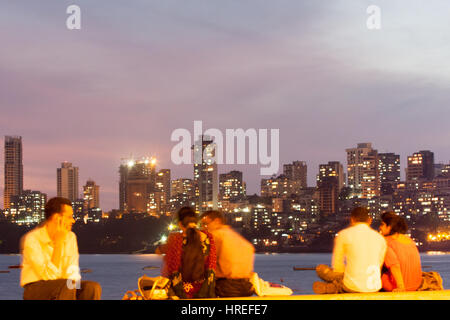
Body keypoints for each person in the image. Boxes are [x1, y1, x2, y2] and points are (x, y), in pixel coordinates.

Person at [21, 197, 102, 300]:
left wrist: (75, 291)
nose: (73, 220)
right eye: (69, 217)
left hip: (62, 286)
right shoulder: (33, 239)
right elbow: (48, 276)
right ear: (56, 218)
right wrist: (58, 243)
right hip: (36, 288)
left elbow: (72, 271)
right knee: (65, 286)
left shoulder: (70, 237)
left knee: (91, 288)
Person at [313, 207, 387, 294]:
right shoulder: (380, 238)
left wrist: (342, 275)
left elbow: (337, 266)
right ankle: (334, 287)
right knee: (345, 276)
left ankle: (333, 287)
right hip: (375, 287)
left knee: (321, 269)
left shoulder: (344, 234)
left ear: (352, 219)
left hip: (352, 287)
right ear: (369, 220)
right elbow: (379, 264)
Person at [161, 207, 216, 299]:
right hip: (205, 292)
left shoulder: (175, 239)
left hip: (181, 293)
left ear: (180, 224)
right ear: (196, 222)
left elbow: (170, 271)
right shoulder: (208, 237)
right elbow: (211, 266)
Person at [201, 210, 255, 297]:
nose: (203, 228)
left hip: (225, 287)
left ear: (217, 221)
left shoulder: (215, 236)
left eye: (205, 224)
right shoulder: (240, 240)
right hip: (246, 286)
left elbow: (206, 262)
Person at [379, 211, 422, 292]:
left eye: (382, 224)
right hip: (415, 285)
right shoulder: (409, 240)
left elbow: (394, 265)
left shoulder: (386, 242)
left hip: (396, 286)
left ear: (390, 227)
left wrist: (400, 286)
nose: (380, 227)